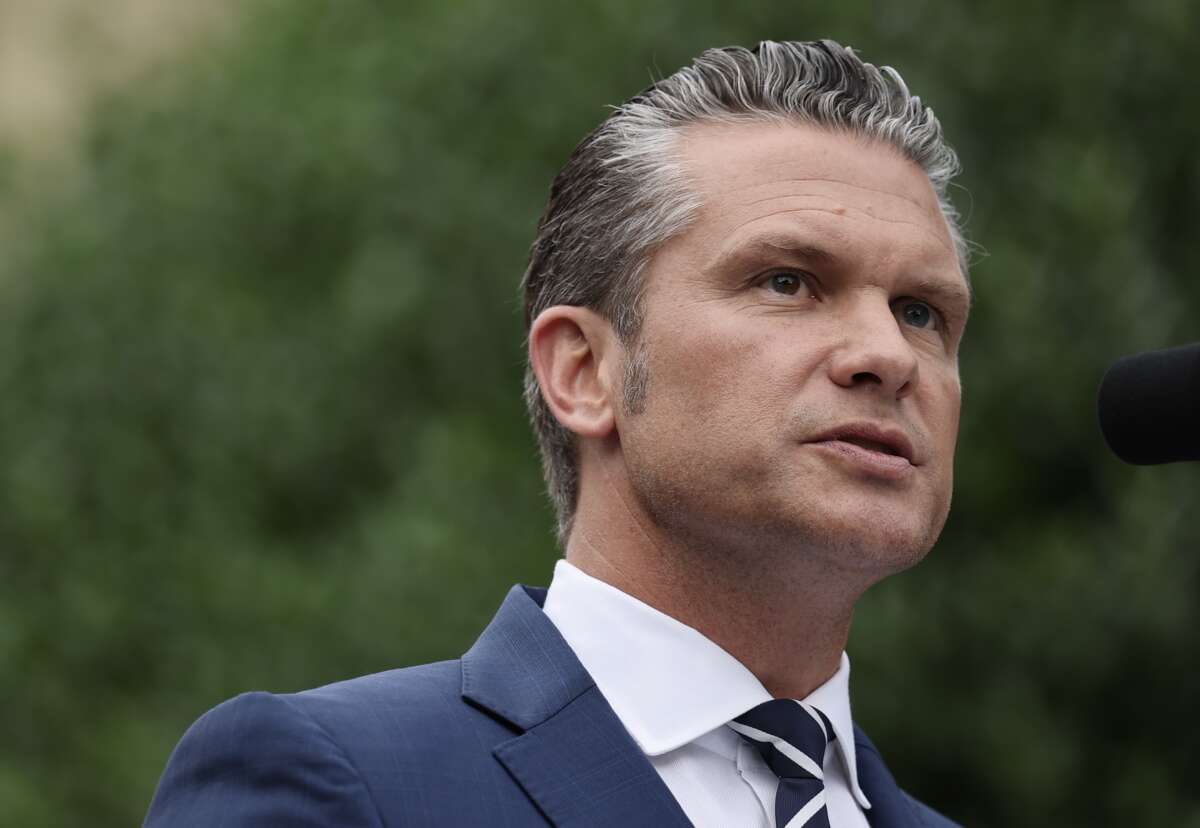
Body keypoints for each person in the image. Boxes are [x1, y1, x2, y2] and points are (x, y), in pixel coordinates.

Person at [145, 40, 970, 827]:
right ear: (583, 371)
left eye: (920, 312)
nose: (888, 355)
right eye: (788, 281)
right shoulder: (337, 783)